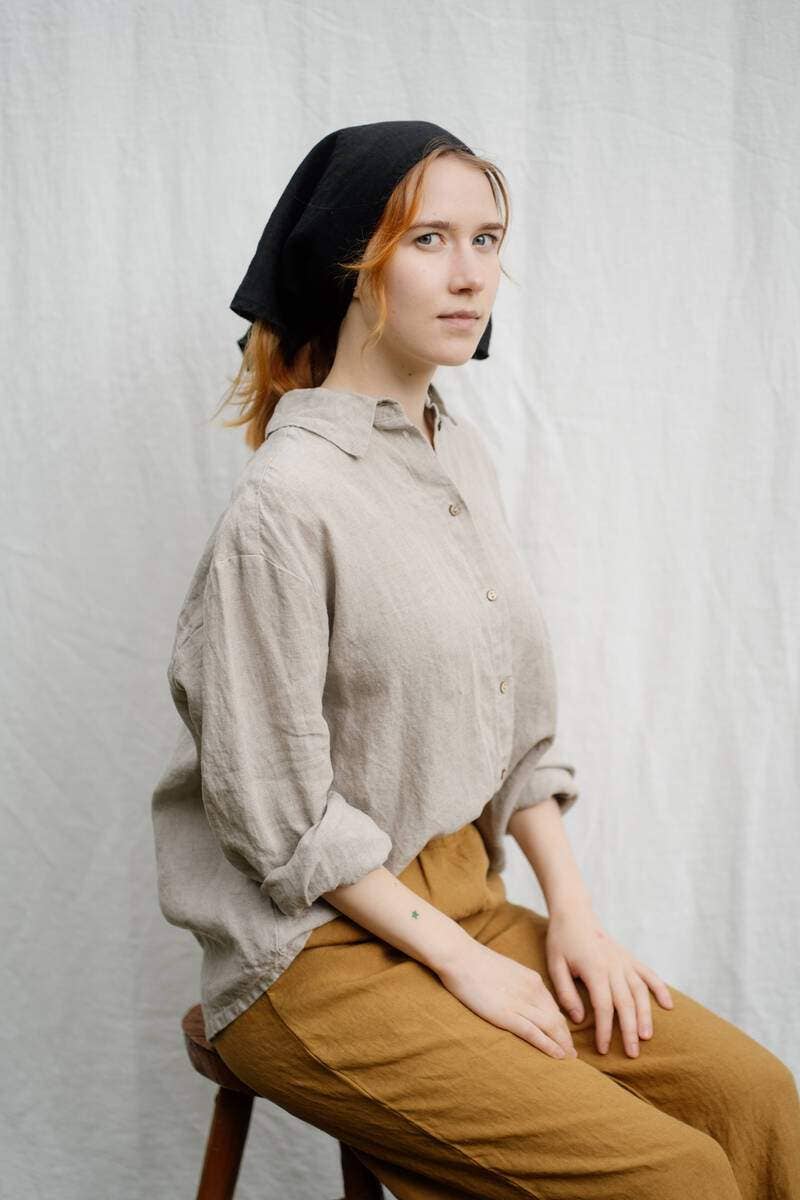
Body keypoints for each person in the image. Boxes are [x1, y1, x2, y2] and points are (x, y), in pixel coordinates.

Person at [150, 120, 800, 1198]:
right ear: (352, 266)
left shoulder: (459, 455)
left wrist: (574, 919)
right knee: (672, 1176)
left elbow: (514, 734)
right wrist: (467, 970)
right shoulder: (287, 502)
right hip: (310, 955)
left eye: (487, 240)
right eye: (429, 240)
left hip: (463, 897)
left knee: (756, 1099)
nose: (470, 275)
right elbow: (278, 817)